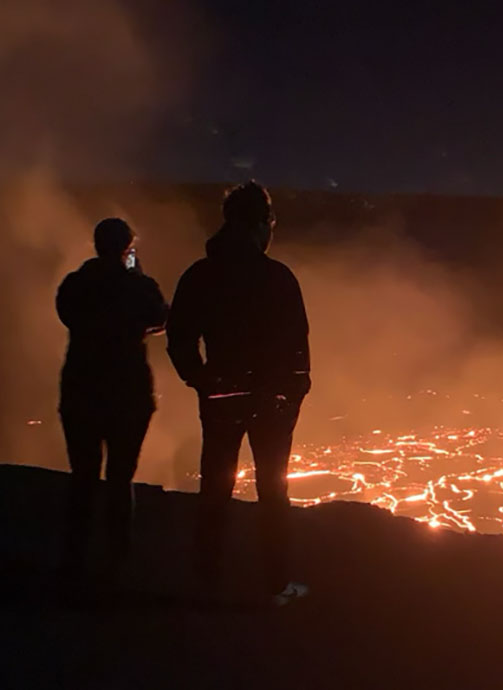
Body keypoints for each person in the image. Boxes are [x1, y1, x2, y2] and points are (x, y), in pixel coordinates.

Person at [166, 181, 311, 607]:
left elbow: (179, 337)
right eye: (270, 223)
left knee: (215, 489)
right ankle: (275, 584)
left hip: (222, 400)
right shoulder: (277, 277)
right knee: (273, 492)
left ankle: (206, 582)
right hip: (270, 405)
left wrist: (203, 380)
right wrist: (292, 394)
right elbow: (298, 348)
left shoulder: (200, 275)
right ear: (261, 224)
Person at [56, 217, 167, 591]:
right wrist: (136, 277)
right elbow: (160, 317)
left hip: (81, 391)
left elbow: (67, 314)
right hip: (127, 394)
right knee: (120, 478)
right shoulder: (138, 287)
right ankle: (117, 560)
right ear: (126, 248)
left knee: (83, 477)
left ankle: (74, 559)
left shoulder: (75, 284)